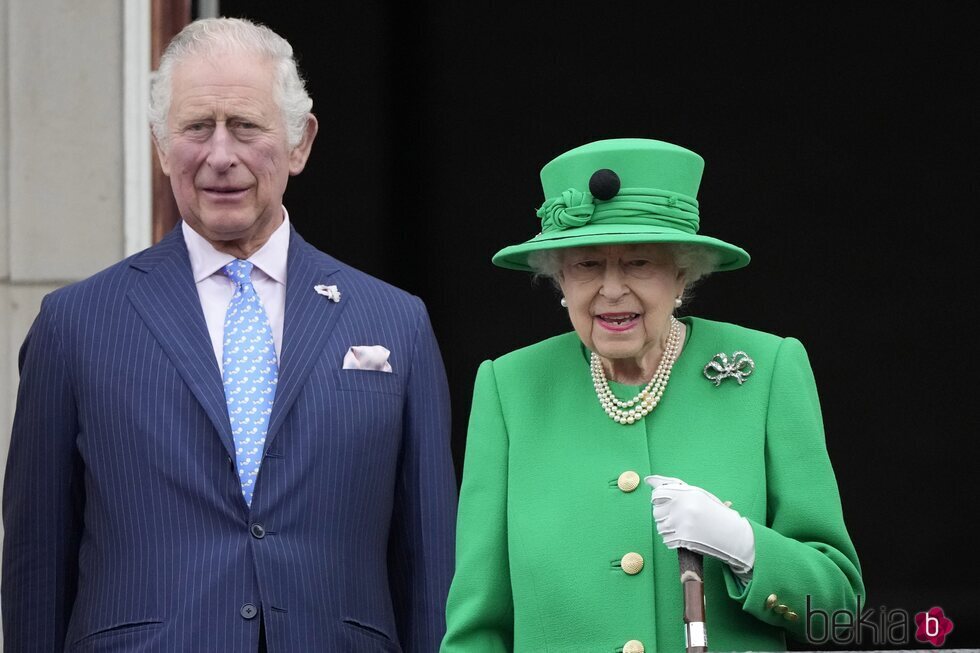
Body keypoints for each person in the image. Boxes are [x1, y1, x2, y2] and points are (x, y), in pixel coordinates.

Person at [2, 17, 456, 652]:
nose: (220, 155)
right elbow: (34, 568)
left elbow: (431, 565)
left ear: (300, 142)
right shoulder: (77, 324)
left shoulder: (394, 322)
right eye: (195, 128)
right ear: (161, 146)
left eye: (246, 126)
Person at [441, 138, 863, 652]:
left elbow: (838, 609)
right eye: (587, 265)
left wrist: (745, 546)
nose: (612, 290)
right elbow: (477, 628)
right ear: (560, 280)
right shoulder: (511, 388)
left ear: (682, 274)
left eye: (639, 263)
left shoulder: (767, 370)